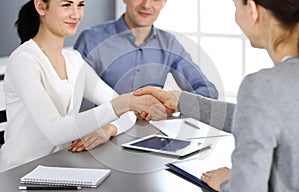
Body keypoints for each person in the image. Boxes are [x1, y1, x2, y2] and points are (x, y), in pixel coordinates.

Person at [134, 0, 299, 192]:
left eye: (235, 6)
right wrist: (179, 100)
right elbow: (259, 116)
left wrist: (230, 184)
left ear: (253, 10)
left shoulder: (263, 85)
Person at [0, 0, 168, 172]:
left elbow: (129, 114)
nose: (76, 14)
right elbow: (55, 131)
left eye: (80, 5)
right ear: (41, 6)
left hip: (58, 169)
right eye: (66, 5)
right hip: (18, 173)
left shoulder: (74, 60)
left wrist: (109, 129)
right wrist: (121, 104)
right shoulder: (24, 60)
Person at [73, 0, 218, 112]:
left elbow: (207, 91)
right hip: (96, 136)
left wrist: (175, 105)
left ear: (163, 3)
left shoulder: (169, 43)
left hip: (148, 137)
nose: (146, 4)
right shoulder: (91, 39)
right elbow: (72, 98)